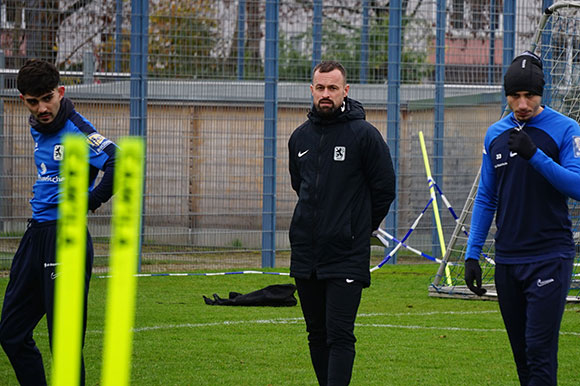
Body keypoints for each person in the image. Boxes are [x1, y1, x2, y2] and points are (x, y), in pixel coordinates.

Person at [464, 51, 580, 385]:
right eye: (515, 96)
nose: (522, 103)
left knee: (539, 352)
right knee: (522, 359)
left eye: (529, 95)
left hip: (549, 256)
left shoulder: (565, 129)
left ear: (541, 93)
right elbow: (487, 196)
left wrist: (535, 155)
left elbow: (576, 185)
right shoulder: (495, 135)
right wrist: (472, 253)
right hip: (508, 260)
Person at [0, 59, 117, 385]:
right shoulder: (40, 126)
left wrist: (88, 202)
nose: (42, 108)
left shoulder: (75, 128)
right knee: (11, 332)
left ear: (61, 92)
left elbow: (118, 160)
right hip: (36, 234)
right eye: (33, 102)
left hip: (66, 238)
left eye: (47, 98)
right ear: (24, 100)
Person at [288, 60, 396, 385]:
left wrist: (359, 227)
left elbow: (384, 188)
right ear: (311, 90)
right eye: (320, 88)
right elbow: (300, 186)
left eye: (332, 88)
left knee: (339, 335)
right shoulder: (299, 138)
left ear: (345, 91)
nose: (326, 94)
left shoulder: (364, 135)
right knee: (316, 334)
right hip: (306, 254)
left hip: (346, 255)